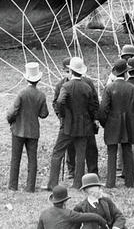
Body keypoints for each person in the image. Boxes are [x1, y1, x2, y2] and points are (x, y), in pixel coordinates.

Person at [48, 57, 99, 191]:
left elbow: (59, 102)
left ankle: (52, 183)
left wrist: (64, 115)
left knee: (57, 152)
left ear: (70, 70)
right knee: (81, 154)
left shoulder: (66, 86)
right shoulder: (87, 86)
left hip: (68, 126)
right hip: (84, 125)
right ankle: (78, 183)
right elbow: (94, 104)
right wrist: (90, 117)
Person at [98, 59, 134, 189]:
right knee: (127, 151)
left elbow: (103, 109)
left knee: (112, 152)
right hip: (129, 125)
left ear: (115, 73)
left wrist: (105, 123)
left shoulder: (109, 88)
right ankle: (129, 182)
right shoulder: (133, 88)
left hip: (112, 125)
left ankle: (110, 182)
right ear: (126, 74)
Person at [7, 61, 49, 192]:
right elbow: (44, 114)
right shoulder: (41, 95)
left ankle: (13, 186)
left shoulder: (21, 93)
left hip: (18, 130)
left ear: (26, 78)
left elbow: (12, 111)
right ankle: (30, 187)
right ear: (39, 79)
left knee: (15, 158)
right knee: (32, 159)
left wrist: (11, 120)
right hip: (33, 131)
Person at [36, 185, 108, 228]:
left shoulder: (44, 214)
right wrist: (105, 224)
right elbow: (94, 216)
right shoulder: (69, 214)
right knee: (88, 221)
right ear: (65, 201)